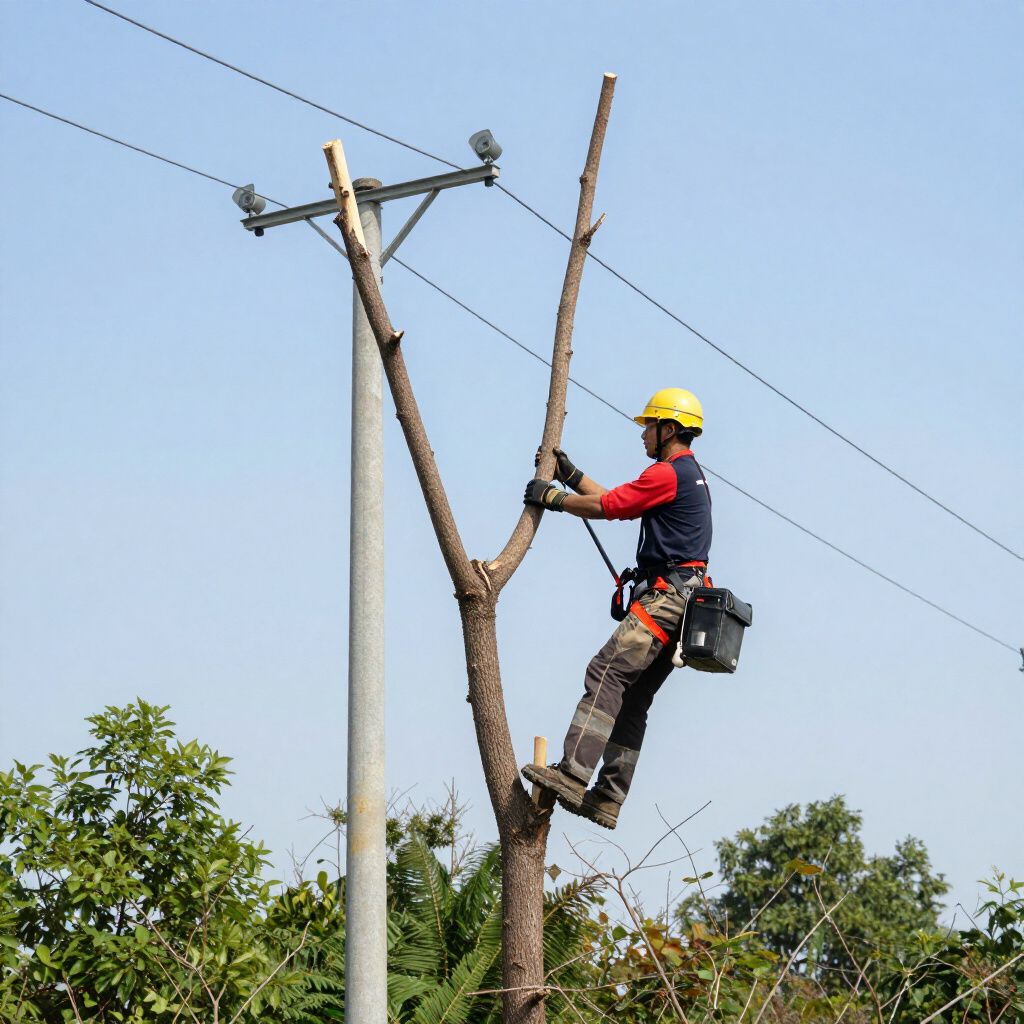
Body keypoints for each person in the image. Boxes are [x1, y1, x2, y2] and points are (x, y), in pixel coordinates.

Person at [521, 388, 712, 829]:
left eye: (648, 425)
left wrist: (554, 500)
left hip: (664, 601)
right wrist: (572, 479)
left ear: (669, 429)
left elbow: (611, 507)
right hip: (685, 605)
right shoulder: (685, 475)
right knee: (632, 700)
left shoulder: (668, 473)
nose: (643, 434)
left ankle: (572, 773)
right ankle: (608, 797)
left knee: (606, 672)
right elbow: (618, 498)